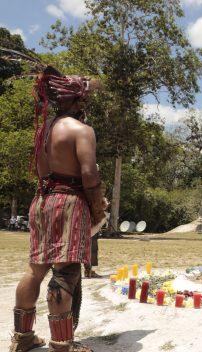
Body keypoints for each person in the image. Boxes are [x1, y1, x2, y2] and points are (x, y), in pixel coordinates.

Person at [10, 65, 107, 352]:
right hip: (68, 202)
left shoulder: (44, 131)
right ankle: (62, 344)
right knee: (65, 272)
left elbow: (42, 171)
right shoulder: (81, 130)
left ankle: (23, 338)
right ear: (78, 101)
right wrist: (98, 207)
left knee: (35, 270)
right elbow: (89, 174)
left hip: (42, 201)